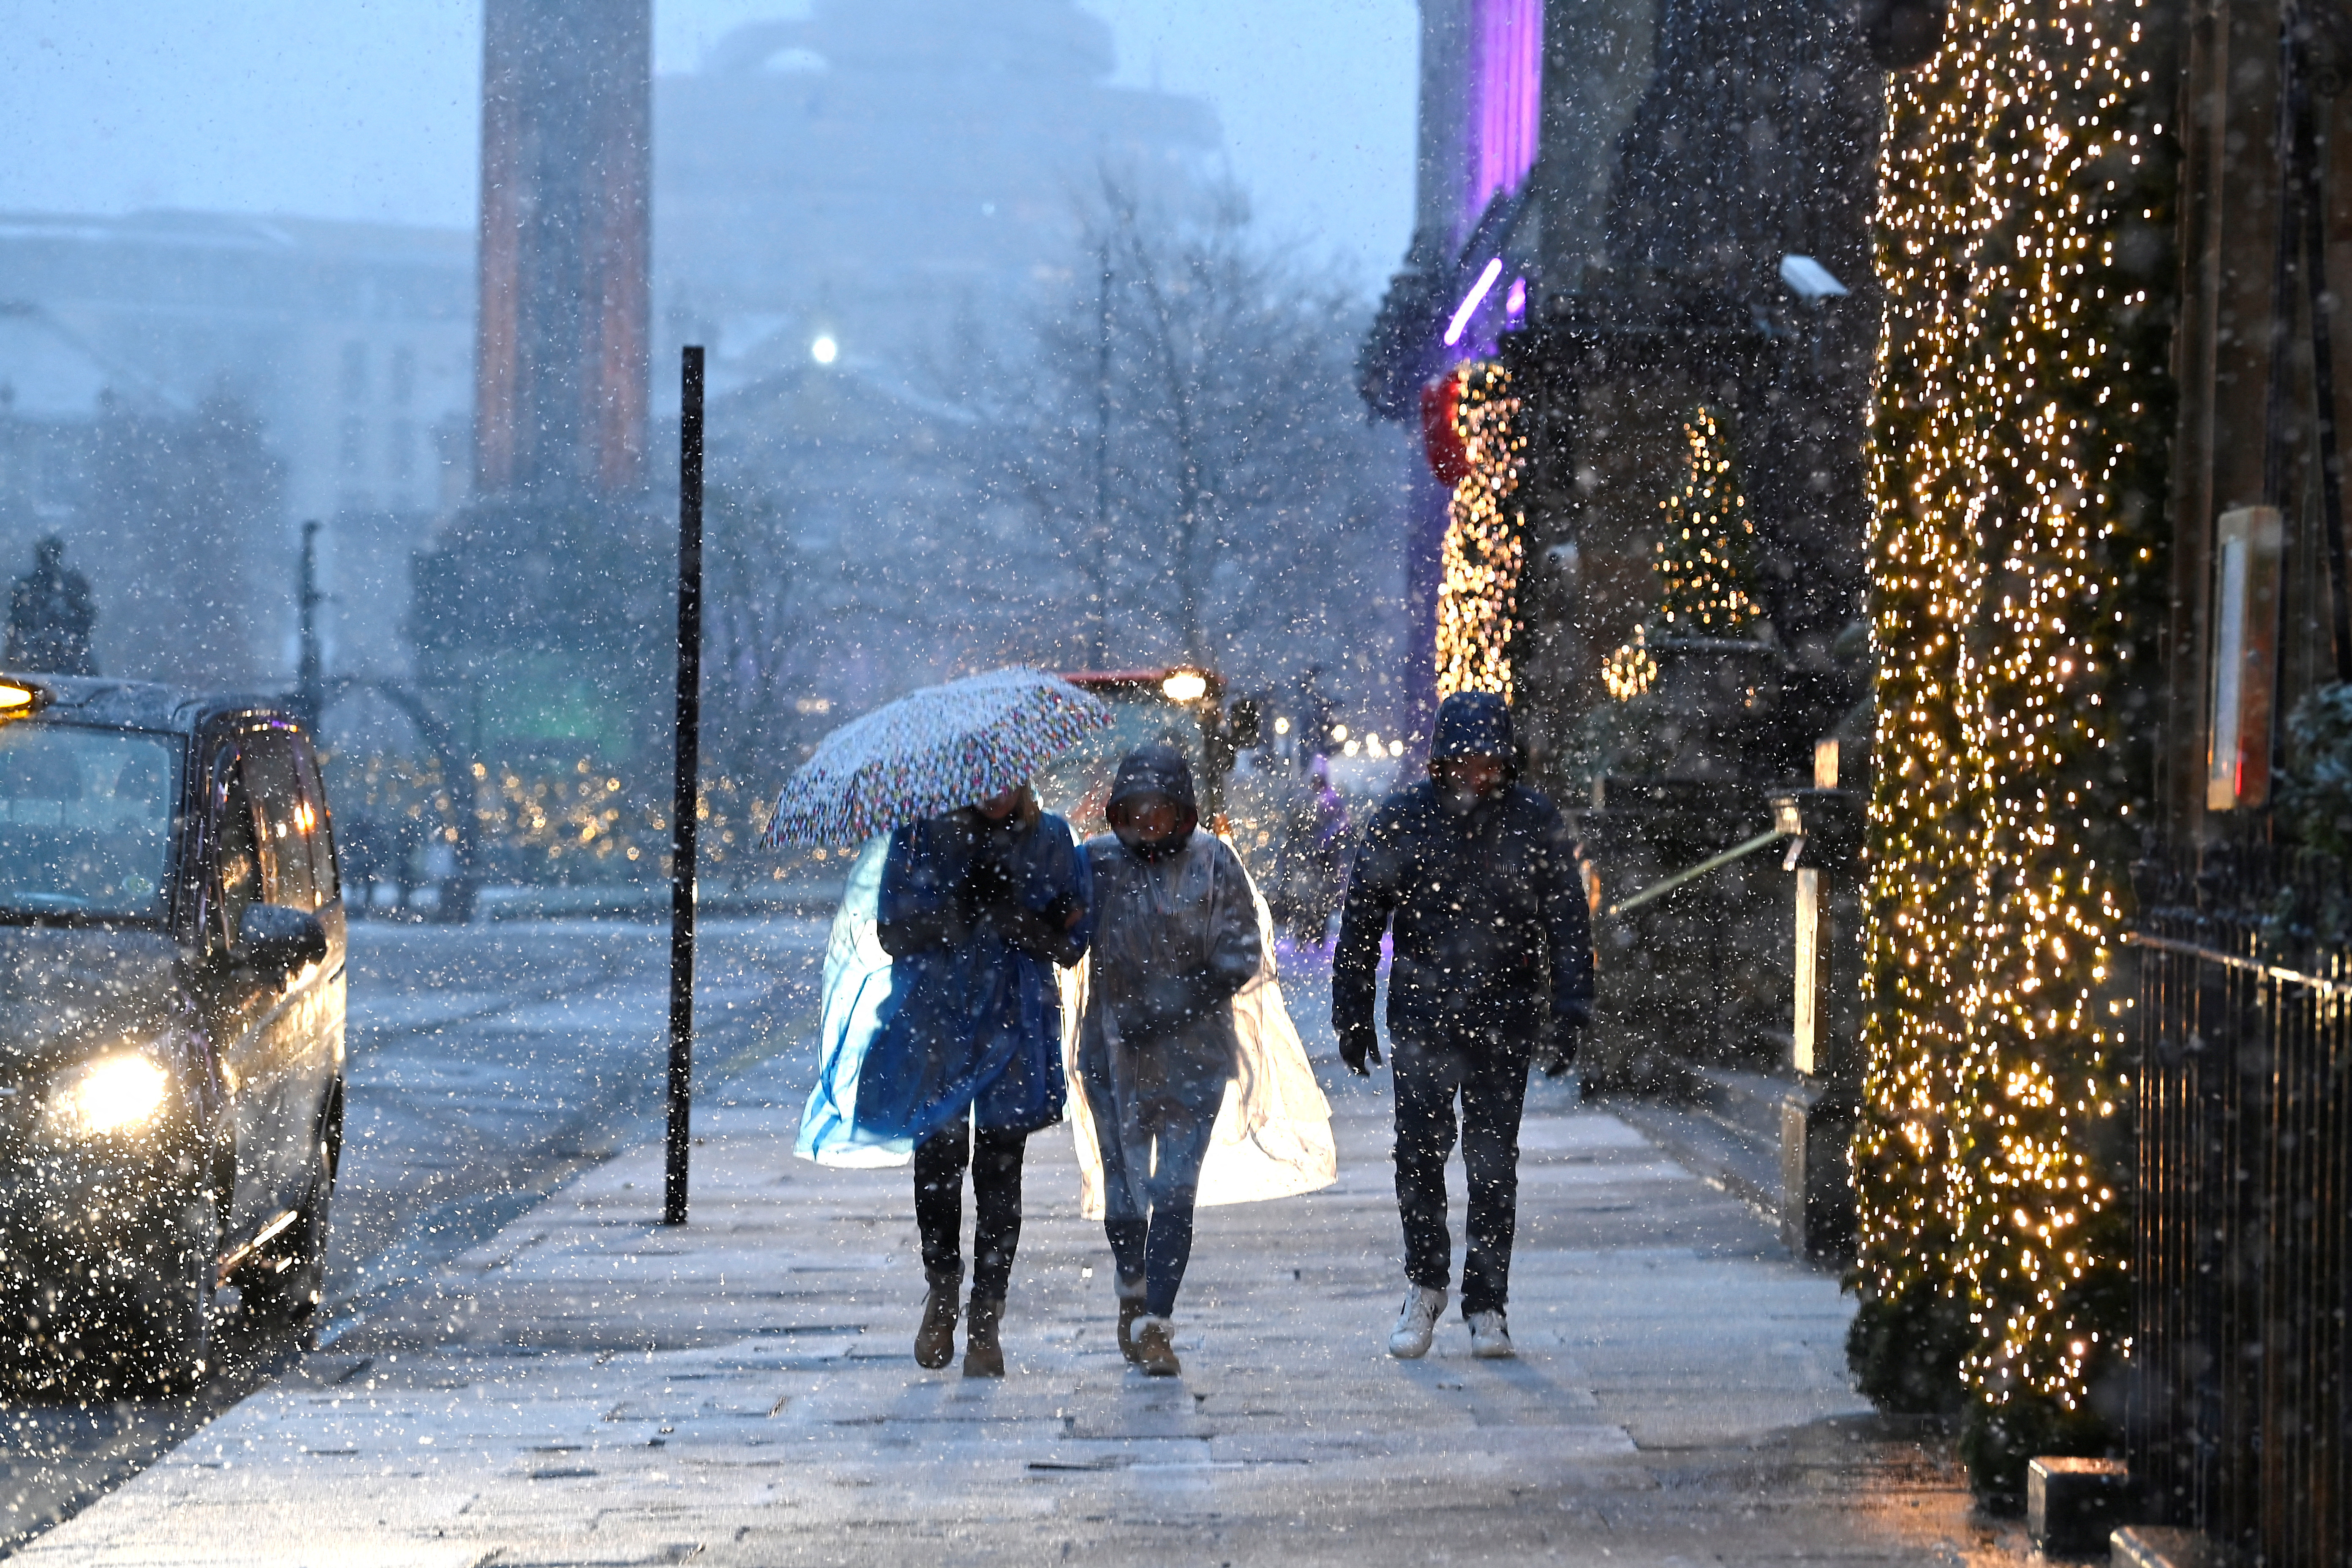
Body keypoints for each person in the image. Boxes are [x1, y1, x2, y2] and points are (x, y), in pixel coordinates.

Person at [1332, 691, 1593, 1361]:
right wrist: (1352, 1010)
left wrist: (1570, 1008)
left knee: (1492, 1162)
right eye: (1466, 763)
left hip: (1503, 1014)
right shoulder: (1404, 822)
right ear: (1443, 761)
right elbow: (1364, 919)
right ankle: (1425, 1284)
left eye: (1489, 764)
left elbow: (1566, 920)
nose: (1478, 777)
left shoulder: (1532, 822)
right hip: (1424, 1013)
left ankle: (1487, 1302)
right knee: (1418, 1154)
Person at [870, 782, 1089, 1377]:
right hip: (936, 1023)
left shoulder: (1049, 840)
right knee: (939, 1163)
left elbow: (1071, 941)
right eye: (982, 781)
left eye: (1007, 778)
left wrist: (1014, 917)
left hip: (1013, 1022)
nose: (995, 793)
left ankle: (987, 1316)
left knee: (999, 1170)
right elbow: (892, 932)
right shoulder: (920, 837)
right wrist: (958, 913)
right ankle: (942, 1293)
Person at [1077, 744, 1261, 1376]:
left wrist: (1182, 1000)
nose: (1149, 824)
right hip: (1111, 1051)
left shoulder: (1213, 863)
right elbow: (1064, 933)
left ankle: (1157, 1317)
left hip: (1195, 1057)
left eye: (1162, 812)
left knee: (1175, 1188)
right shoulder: (1096, 865)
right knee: (1124, 1187)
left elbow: (1242, 951)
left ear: (1183, 811)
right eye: (1138, 811)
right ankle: (1133, 1284)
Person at [5, 536, 97, 676]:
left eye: (52, 553)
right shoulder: (27, 586)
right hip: (35, 657)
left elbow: (86, 618)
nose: (49, 559)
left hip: (64, 656)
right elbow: (16, 624)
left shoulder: (73, 584)